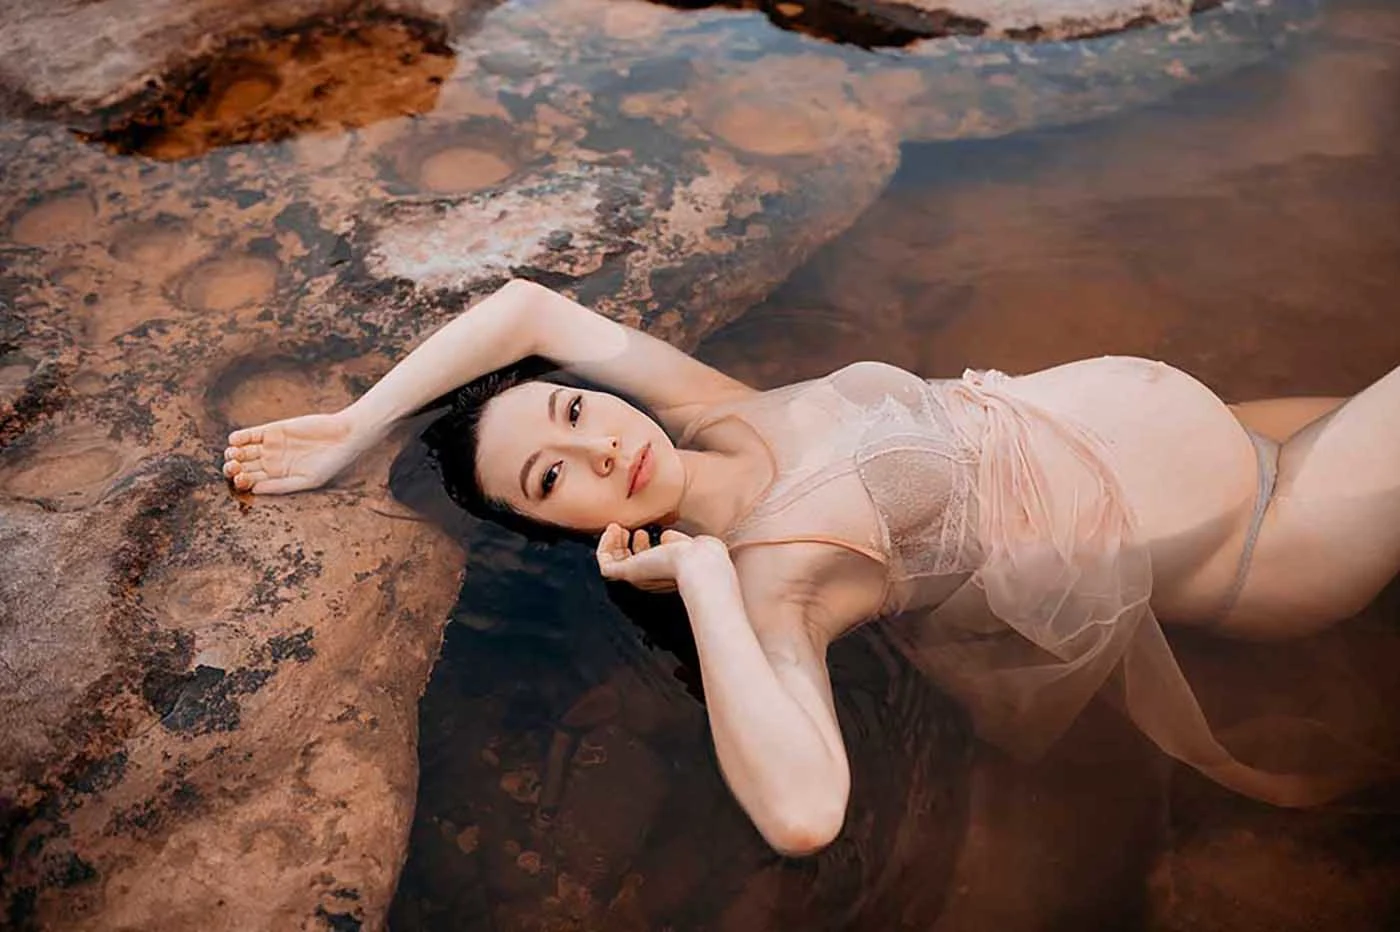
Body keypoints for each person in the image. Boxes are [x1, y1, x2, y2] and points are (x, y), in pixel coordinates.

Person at [222, 279, 1400, 855]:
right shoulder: (787, 574)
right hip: (1273, 533)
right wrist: (704, 588)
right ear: (570, 528)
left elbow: (522, 304)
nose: (598, 444)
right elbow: (802, 812)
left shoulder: (711, 412)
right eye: (553, 476)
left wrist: (354, 425)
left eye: (574, 410)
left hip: (1255, 431)